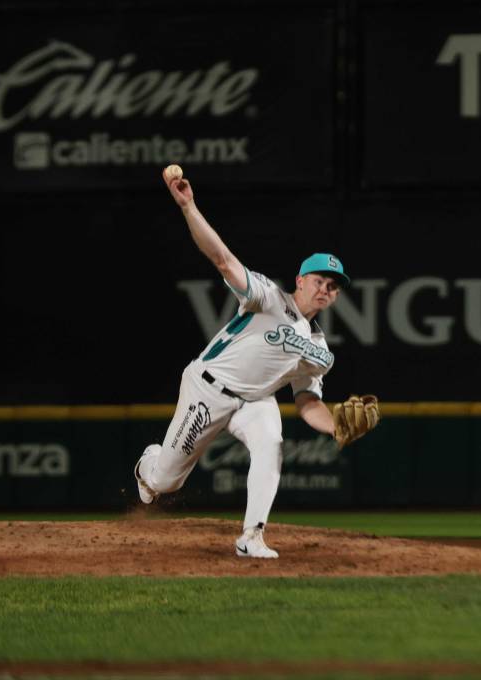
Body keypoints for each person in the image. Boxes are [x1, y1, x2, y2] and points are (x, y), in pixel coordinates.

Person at [134, 166, 351, 559]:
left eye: (332, 287)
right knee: (164, 483)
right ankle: (148, 465)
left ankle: (252, 536)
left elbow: (307, 403)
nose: (326, 288)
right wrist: (188, 206)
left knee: (272, 443)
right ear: (300, 280)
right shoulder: (267, 297)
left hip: (255, 401)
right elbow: (222, 259)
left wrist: (335, 424)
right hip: (209, 386)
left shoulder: (318, 348)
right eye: (320, 279)